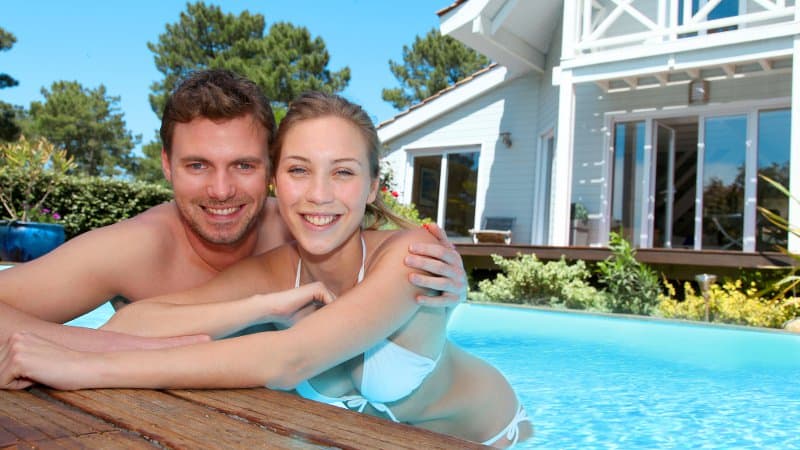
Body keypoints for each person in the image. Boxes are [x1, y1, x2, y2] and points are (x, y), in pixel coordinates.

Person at [0, 92, 532, 448]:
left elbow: (287, 359)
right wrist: (256, 306)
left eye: (343, 173)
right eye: (299, 170)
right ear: (278, 180)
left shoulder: (411, 255)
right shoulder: (275, 272)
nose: (319, 194)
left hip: (494, 439)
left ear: (372, 187)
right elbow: (129, 326)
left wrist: (80, 368)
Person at [0, 69, 466, 349]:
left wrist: (447, 293)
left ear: (272, 169)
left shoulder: (307, 228)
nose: (221, 190)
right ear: (166, 165)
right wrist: (92, 346)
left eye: (243, 165)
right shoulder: (135, 249)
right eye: (197, 164)